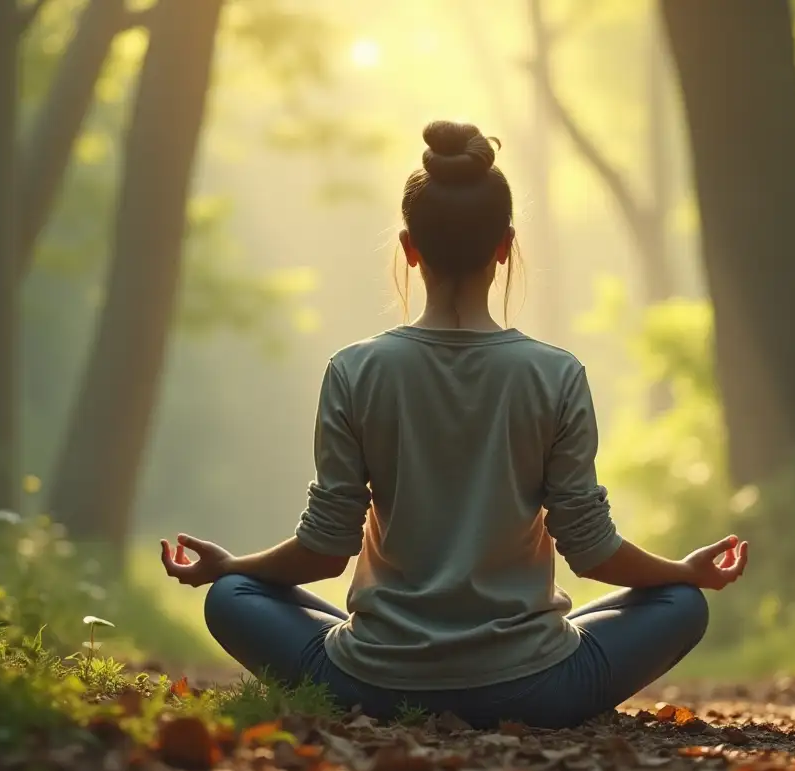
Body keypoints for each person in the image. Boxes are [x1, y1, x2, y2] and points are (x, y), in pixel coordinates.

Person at [159, 121, 749, 729]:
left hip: (374, 685)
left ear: (410, 248)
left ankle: (383, 664)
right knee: (681, 604)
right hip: (538, 690)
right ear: (506, 245)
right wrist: (684, 573)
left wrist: (228, 567)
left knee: (233, 598)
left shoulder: (355, 370)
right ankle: (519, 655)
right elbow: (592, 550)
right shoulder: (555, 374)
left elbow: (325, 548)